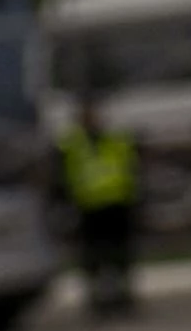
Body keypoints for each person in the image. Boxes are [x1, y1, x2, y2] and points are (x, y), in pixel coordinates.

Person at [55, 89, 142, 317]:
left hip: (117, 204)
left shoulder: (117, 139)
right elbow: (60, 177)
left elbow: (132, 168)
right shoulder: (69, 145)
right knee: (93, 257)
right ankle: (98, 299)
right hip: (88, 208)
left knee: (120, 254)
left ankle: (123, 296)